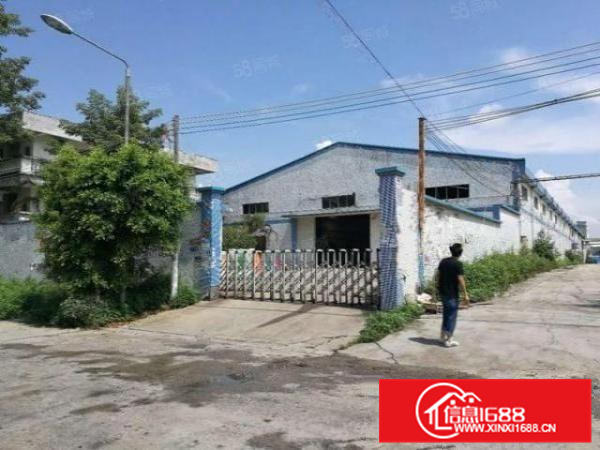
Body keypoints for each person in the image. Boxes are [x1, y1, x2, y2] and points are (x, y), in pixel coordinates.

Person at [436, 243, 470, 347]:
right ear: (460, 253)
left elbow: (438, 276)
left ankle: (442, 337)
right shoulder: (458, 264)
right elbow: (460, 279)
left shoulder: (443, 261)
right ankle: (449, 339)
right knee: (452, 316)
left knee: (446, 315)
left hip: (443, 292)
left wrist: (437, 288)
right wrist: (465, 294)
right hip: (452, 294)